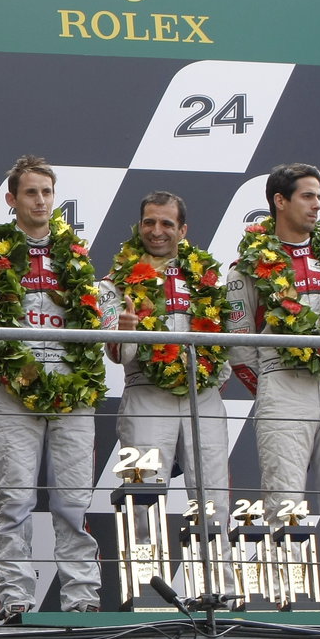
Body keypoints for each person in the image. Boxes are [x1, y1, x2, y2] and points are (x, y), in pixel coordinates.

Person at [0, 155, 112, 623]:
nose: (41, 200)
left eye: (47, 191)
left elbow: (96, 324)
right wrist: (1, 389)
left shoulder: (78, 257)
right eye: (31, 192)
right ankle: (15, 601)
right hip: (11, 397)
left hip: (73, 395)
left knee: (72, 501)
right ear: (11, 199)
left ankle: (82, 599)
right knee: (15, 500)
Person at [227, 163, 320, 611]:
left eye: (318, 196)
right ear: (280, 201)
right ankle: (291, 599)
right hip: (281, 384)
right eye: (308, 196)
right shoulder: (246, 265)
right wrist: (270, 387)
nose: (317, 205)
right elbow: (237, 344)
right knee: (284, 501)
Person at [104, 192, 234, 584]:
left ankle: (218, 591)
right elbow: (117, 354)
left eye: (165, 223)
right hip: (146, 392)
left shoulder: (205, 276)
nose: (156, 231)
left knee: (212, 498)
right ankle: (146, 590)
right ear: (139, 225)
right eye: (149, 222)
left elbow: (223, 341)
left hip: (202, 394)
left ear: (183, 229)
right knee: (141, 498)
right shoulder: (116, 279)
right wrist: (125, 332)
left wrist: (213, 374)